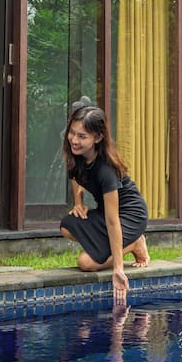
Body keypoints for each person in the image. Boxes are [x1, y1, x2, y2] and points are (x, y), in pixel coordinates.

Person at [59, 104, 149, 303]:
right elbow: (76, 176)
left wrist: (118, 268)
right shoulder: (76, 155)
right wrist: (78, 203)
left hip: (130, 215)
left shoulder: (105, 170)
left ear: (98, 138)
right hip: (106, 213)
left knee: (86, 262)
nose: (74, 140)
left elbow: (112, 220)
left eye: (82, 136)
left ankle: (135, 242)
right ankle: (110, 246)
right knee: (67, 225)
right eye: (72, 133)